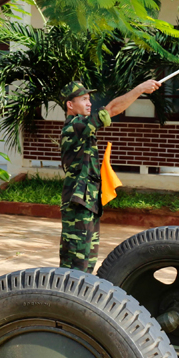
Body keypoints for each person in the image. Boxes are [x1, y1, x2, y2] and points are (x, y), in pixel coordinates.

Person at [59, 79, 160, 273]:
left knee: (87, 261)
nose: (89, 103)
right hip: (77, 203)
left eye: (89, 99)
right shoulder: (75, 126)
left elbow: (107, 110)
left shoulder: (84, 127)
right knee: (75, 264)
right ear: (70, 105)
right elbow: (111, 110)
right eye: (83, 99)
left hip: (88, 201)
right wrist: (140, 89)